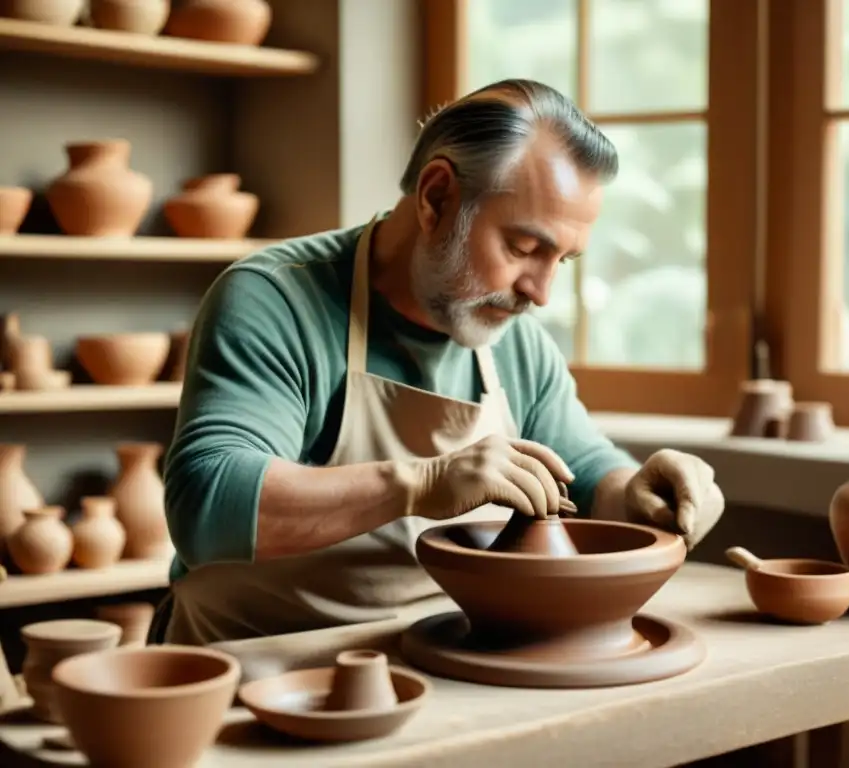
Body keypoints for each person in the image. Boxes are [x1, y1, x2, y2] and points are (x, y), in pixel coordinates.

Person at [149, 78, 725, 646]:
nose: (542, 292)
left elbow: (588, 471)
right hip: (248, 669)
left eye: (563, 261)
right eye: (524, 248)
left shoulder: (516, 341)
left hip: (435, 664)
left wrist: (642, 490)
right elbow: (206, 503)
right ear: (437, 197)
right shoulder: (275, 299)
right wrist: (419, 483)